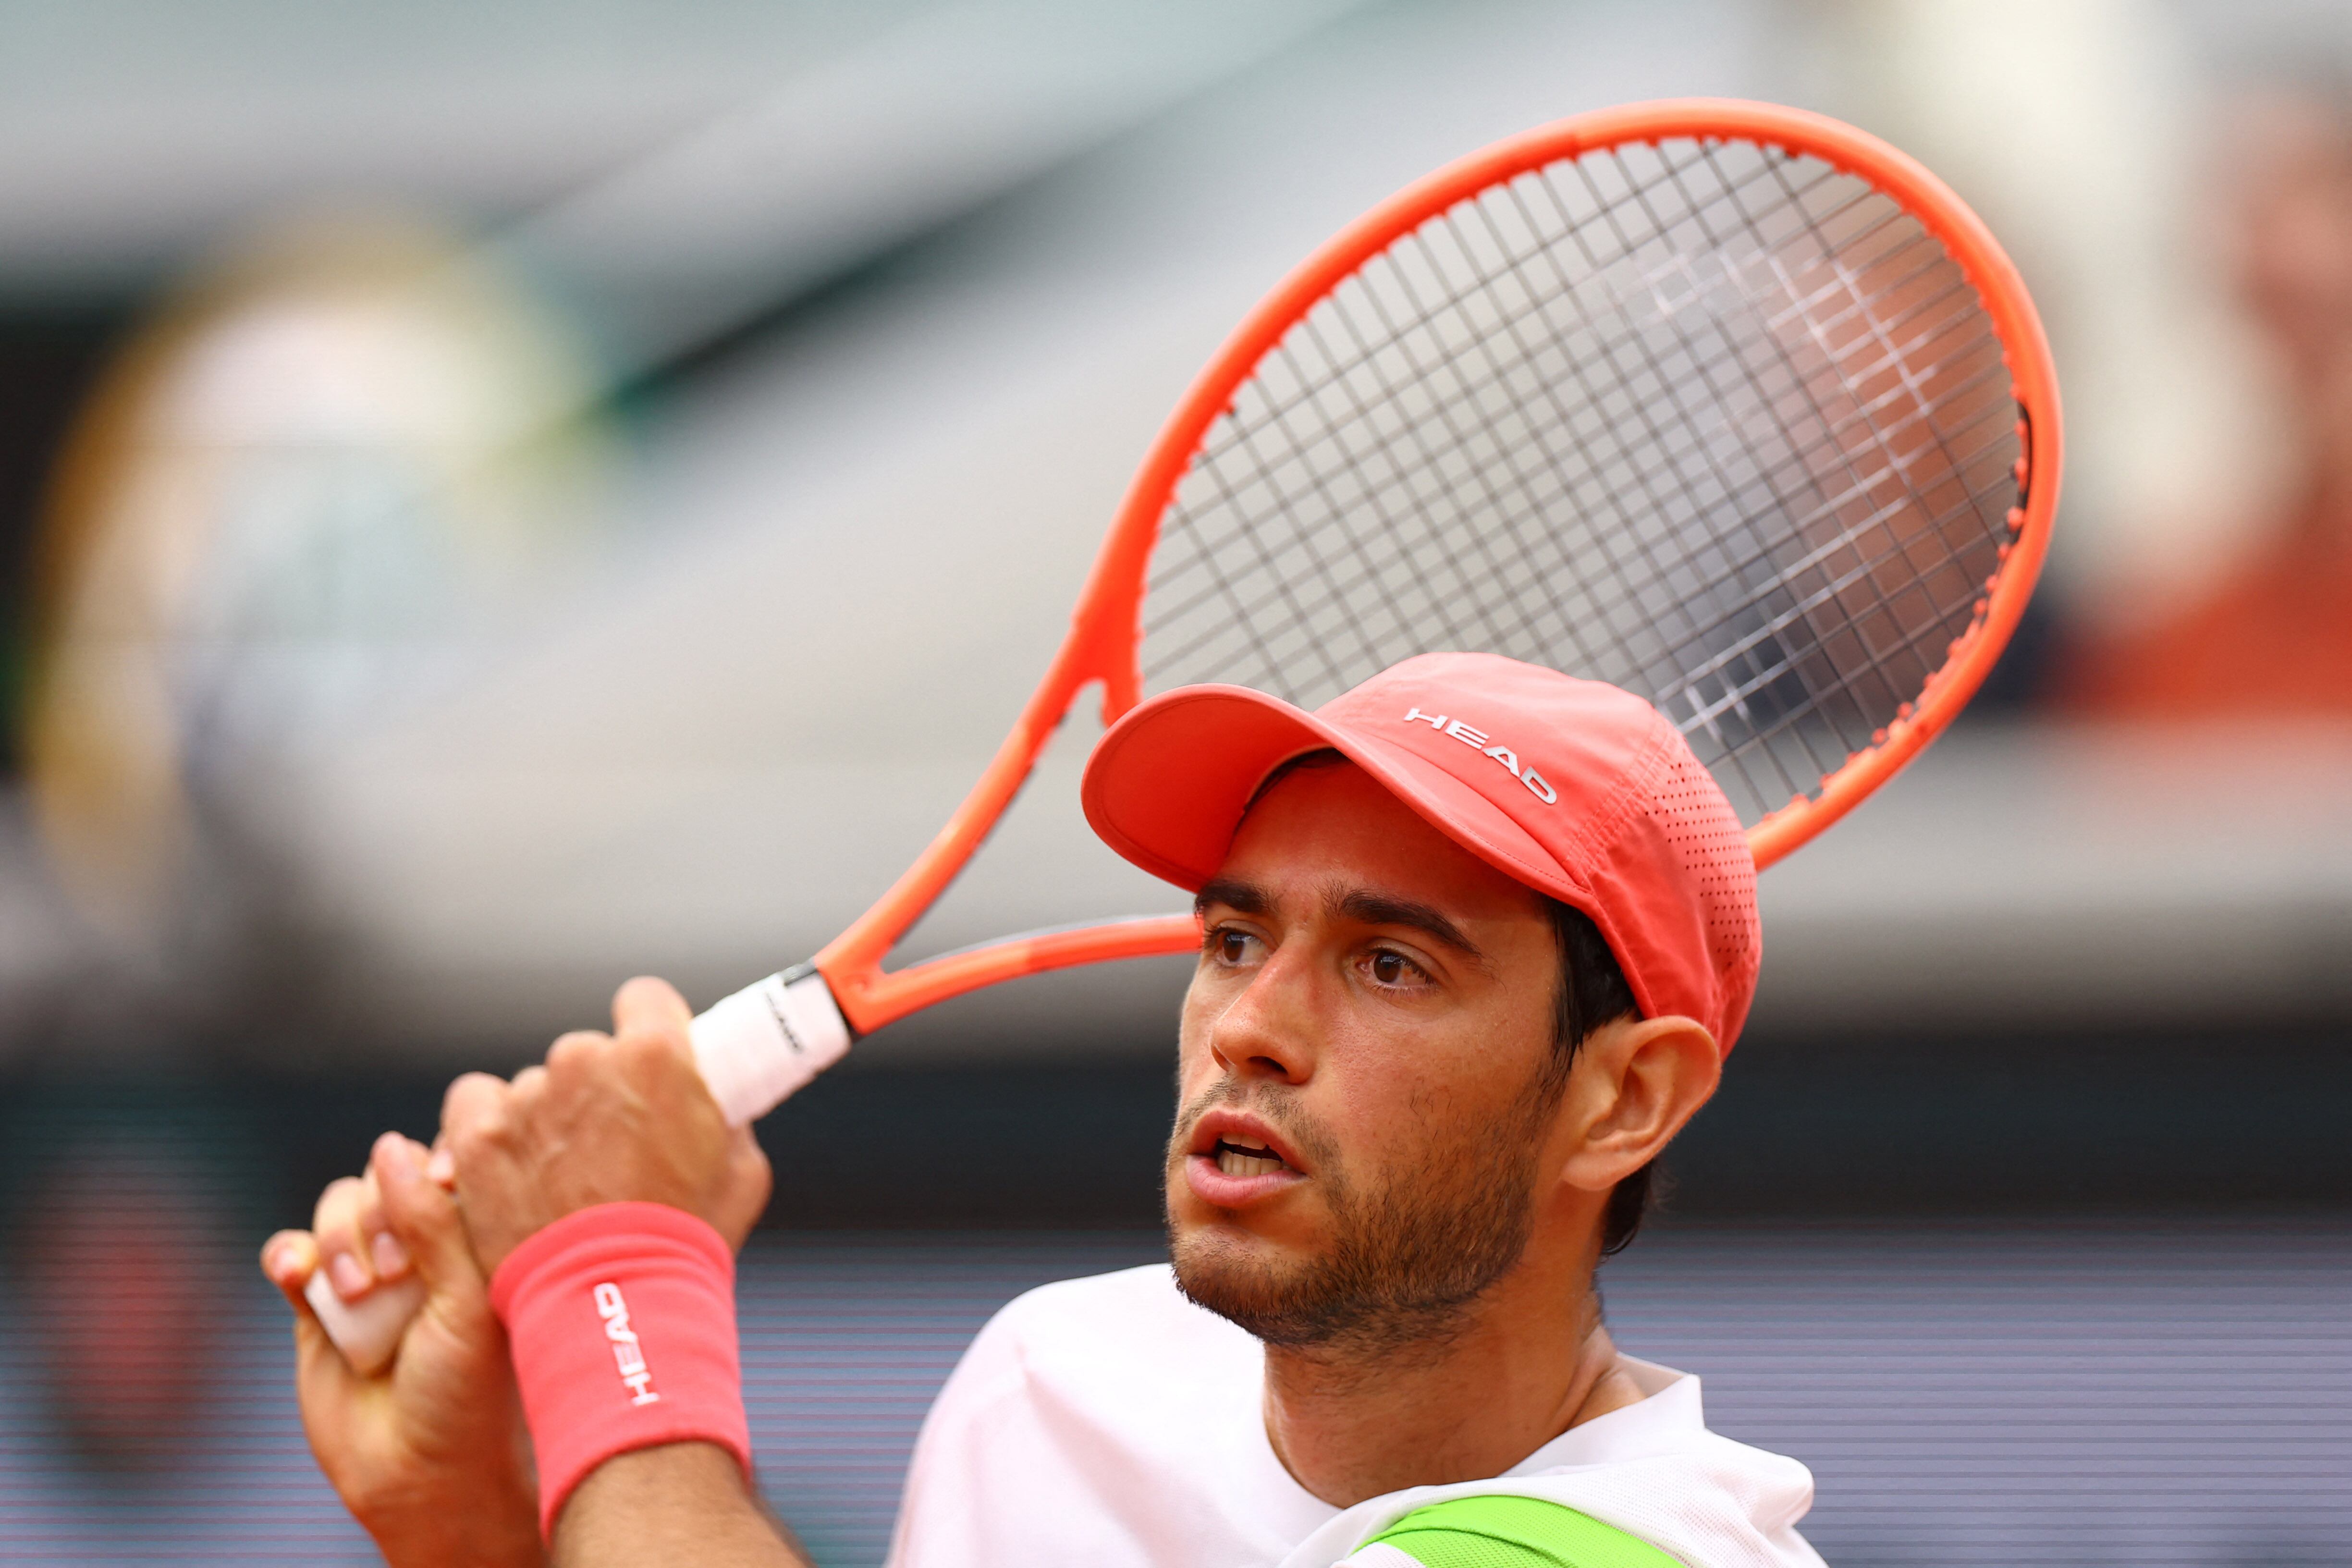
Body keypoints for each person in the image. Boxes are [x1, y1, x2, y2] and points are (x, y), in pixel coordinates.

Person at [260, 651, 1823, 1568]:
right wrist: (478, 1527)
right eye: (1232, 939)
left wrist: (610, 1280)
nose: (1254, 1028)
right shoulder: (1051, 1378)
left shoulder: (1658, 1550)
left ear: (1625, 1099)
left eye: (1393, 965)